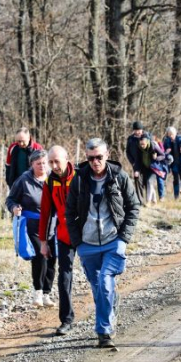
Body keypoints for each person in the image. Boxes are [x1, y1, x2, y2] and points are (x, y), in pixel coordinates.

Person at [65, 138, 140, 348]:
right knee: (99, 289)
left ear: (107, 155)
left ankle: (104, 333)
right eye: (91, 158)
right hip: (87, 244)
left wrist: (124, 238)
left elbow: (134, 207)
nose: (95, 162)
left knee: (105, 284)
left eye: (99, 157)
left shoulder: (119, 177)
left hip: (112, 241)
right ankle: (111, 309)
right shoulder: (78, 180)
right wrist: (77, 242)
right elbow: (69, 213)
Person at [7, 150, 57, 307]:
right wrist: (14, 207)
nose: (42, 166)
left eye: (44, 162)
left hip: (52, 224)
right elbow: (11, 199)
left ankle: (47, 294)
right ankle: (38, 292)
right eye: (38, 163)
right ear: (32, 164)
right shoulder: (24, 180)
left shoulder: (53, 178)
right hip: (32, 225)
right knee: (40, 256)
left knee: (52, 258)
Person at [38, 146, 77, 336]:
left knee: (96, 275)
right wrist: (44, 242)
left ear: (66, 160)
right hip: (64, 236)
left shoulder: (79, 177)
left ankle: (104, 316)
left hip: (86, 235)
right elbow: (45, 213)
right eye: (50, 162)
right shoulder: (49, 182)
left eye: (57, 162)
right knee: (64, 276)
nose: (54, 166)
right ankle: (66, 319)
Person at [163, 126, 181, 199]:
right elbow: (163, 152)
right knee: (175, 180)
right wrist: (166, 152)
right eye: (169, 134)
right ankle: (176, 196)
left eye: (172, 134)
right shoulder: (167, 141)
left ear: (175, 133)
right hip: (174, 164)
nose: (171, 136)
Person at [126, 121, 150, 204]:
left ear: (142, 129)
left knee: (147, 181)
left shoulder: (147, 136)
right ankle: (140, 201)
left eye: (139, 130)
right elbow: (127, 152)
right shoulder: (130, 139)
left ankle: (148, 200)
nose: (137, 132)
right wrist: (132, 162)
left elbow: (152, 149)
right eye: (136, 130)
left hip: (147, 163)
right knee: (137, 180)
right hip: (136, 163)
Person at [137, 135, 166, 205]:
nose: (142, 146)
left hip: (153, 168)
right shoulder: (139, 148)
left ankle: (148, 201)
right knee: (147, 183)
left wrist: (156, 158)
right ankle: (154, 200)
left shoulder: (153, 146)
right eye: (141, 144)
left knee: (149, 182)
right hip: (145, 167)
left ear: (147, 142)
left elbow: (163, 155)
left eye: (143, 144)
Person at [151, 134, 167, 200]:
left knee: (160, 181)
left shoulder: (159, 144)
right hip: (152, 165)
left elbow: (163, 154)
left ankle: (161, 196)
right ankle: (152, 198)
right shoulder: (149, 144)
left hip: (159, 165)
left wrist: (156, 158)